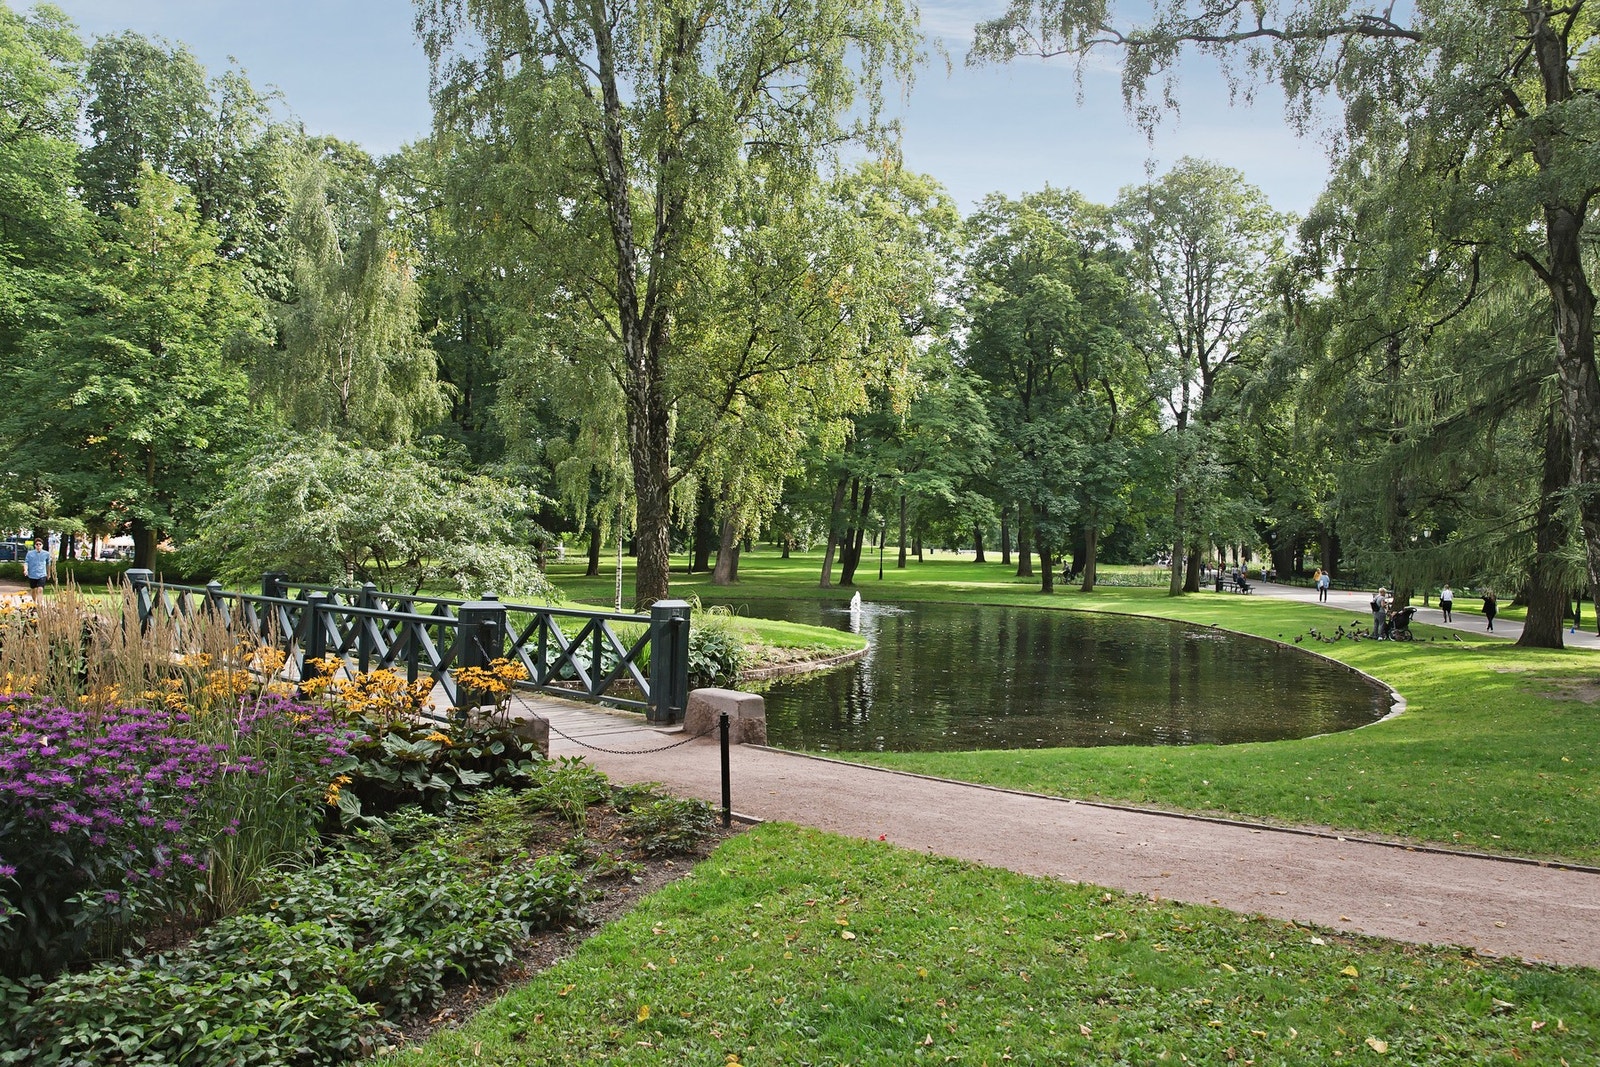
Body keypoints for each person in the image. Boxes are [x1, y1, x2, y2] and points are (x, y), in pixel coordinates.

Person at [23, 537, 52, 606]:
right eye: (37, 544)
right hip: (32, 574)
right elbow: (26, 562)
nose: (38, 546)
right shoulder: (30, 553)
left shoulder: (46, 554)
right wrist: (25, 570)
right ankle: (34, 603)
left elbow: (48, 564)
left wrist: (49, 573)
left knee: (40, 589)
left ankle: (39, 604)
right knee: (33, 590)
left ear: (42, 545)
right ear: (35, 545)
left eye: (40, 544)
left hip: (42, 574)